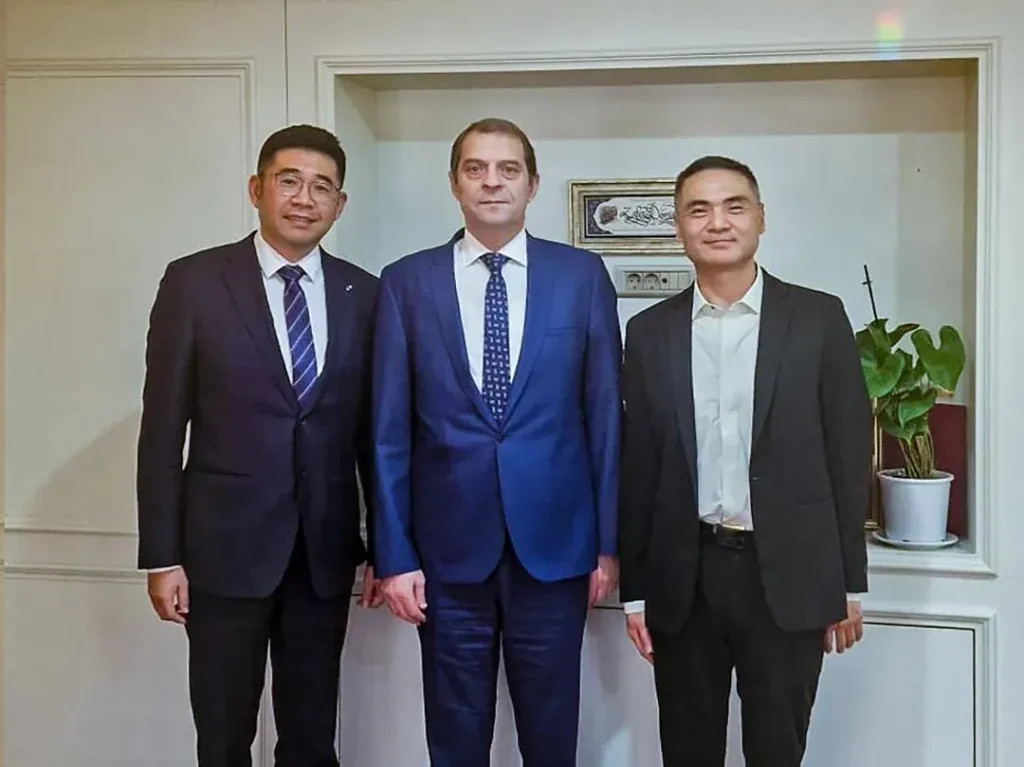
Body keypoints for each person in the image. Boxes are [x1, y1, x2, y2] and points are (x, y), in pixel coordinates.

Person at [370, 117, 622, 766]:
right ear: (454, 183)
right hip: (447, 555)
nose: (492, 182)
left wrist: (606, 544)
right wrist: (393, 555)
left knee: (550, 737)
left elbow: (604, 420)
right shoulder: (406, 282)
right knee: (455, 740)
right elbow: (388, 432)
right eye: (475, 169)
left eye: (508, 169)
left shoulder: (581, 276)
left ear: (532, 184)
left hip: (557, 552)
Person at [135, 124, 382, 767]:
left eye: (322, 187)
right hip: (222, 553)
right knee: (223, 738)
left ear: (339, 205)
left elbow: (373, 436)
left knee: (311, 738)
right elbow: (162, 429)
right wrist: (162, 556)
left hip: (322, 556)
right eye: (289, 181)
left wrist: (387, 546)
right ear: (257, 189)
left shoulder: (363, 294)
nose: (304, 198)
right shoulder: (195, 282)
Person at [617, 155, 872, 767]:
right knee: (687, 749)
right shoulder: (649, 331)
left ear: (761, 218)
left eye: (734, 207)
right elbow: (639, 467)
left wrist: (848, 583)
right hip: (685, 579)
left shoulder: (818, 318)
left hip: (787, 575)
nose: (717, 222)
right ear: (678, 227)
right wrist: (636, 592)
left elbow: (848, 453)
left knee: (777, 749)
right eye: (698, 210)